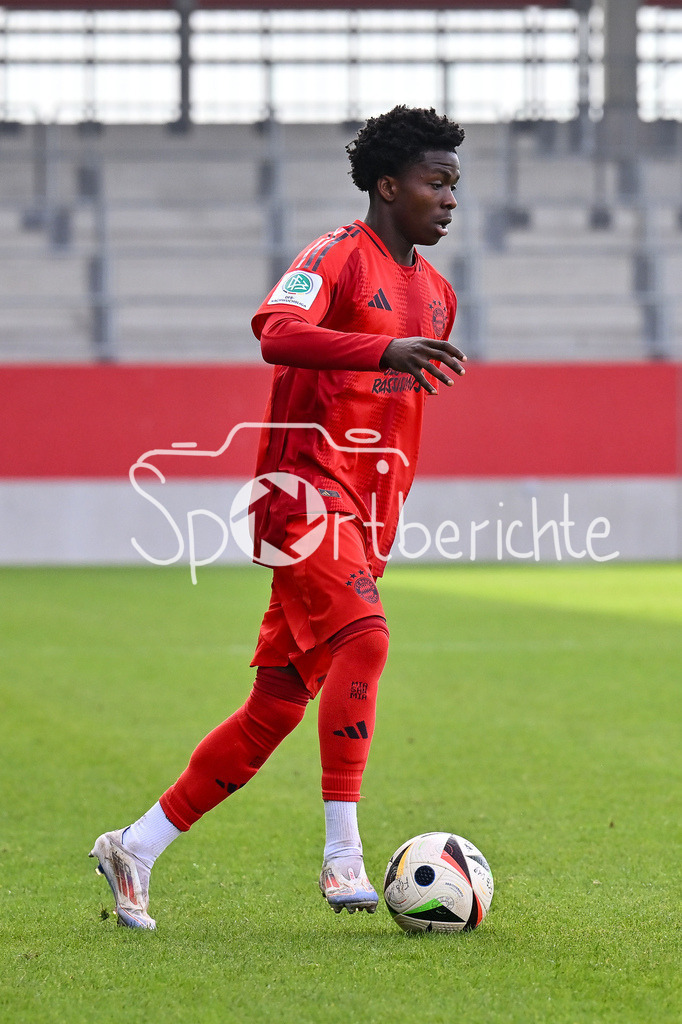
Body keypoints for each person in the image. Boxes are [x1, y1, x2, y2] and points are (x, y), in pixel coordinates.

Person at [90, 105, 466, 929]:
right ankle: (343, 857)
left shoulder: (438, 298)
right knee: (368, 640)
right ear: (387, 184)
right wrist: (377, 348)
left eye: (455, 186)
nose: (449, 200)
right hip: (299, 493)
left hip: (365, 519)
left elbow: (397, 422)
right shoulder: (335, 255)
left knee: (276, 707)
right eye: (436, 184)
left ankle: (135, 845)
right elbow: (275, 328)